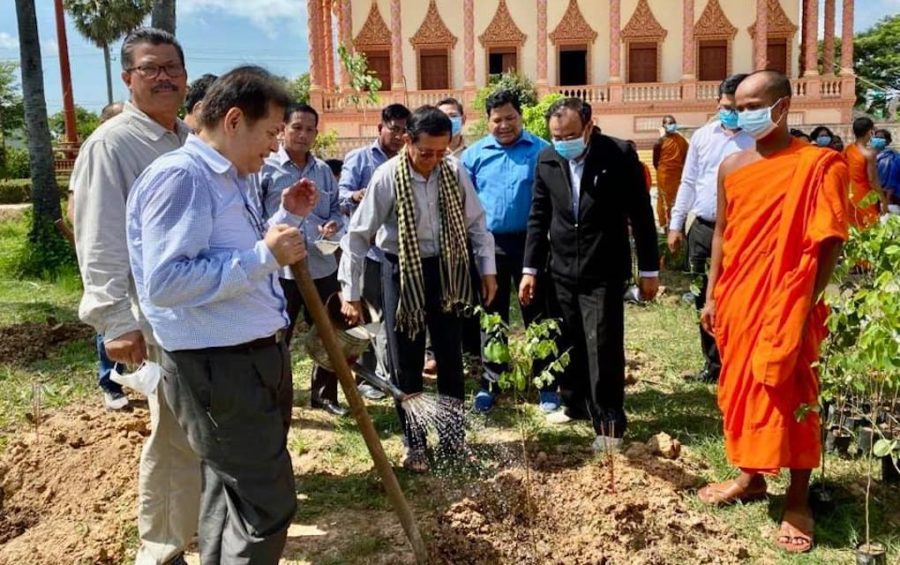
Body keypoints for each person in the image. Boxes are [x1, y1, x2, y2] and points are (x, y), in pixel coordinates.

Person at [127, 65, 318, 562]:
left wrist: (286, 219)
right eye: (272, 132)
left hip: (249, 357)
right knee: (267, 505)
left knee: (229, 490)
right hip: (218, 366)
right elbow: (166, 282)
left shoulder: (229, 177)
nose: (277, 147)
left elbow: (239, 251)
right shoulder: (182, 178)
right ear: (234, 120)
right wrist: (265, 256)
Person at [698, 70, 848, 555]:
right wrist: (713, 294)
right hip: (740, 297)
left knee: (793, 387)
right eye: (737, 106)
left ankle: (798, 499)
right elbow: (723, 232)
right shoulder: (733, 165)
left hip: (790, 300)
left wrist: (805, 303)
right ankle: (751, 475)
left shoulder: (818, 165)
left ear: (781, 107)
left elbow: (828, 244)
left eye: (752, 105)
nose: (743, 115)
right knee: (742, 384)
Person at [70, 28, 199, 565]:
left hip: (195, 308)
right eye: (150, 68)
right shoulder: (113, 144)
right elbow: (96, 236)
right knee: (171, 434)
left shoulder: (183, 137)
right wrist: (115, 320)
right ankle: (163, 547)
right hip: (152, 314)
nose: (163, 76)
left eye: (171, 67)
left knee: (193, 427)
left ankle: (196, 527)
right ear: (128, 78)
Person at [339, 105, 497, 473]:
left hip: (447, 272)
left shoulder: (453, 171)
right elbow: (358, 238)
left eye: (442, 151)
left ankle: (454, 439)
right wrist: (351, 292)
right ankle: (415, 444)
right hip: (400, 272)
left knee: (450, 359)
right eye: (426, 152)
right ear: (408, 141)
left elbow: (477, 224)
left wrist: (486, 270)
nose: (433, 160)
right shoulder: (386, 177)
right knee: (406, 361)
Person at [520, 98, 659, 448]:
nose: (562, 141)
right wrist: (530, 268)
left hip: (604, 268)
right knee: (568, 338)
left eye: (569, 134)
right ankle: (574, 402)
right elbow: (538, 215)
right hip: (561, 267)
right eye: (555, 135)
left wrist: (649, 269)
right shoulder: (548, 158)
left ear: (588, 126)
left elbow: (641, 214)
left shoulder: (619, 154)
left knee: (602, 343)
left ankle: (609, 421)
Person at [461, 90, 556, 413]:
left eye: (510, 118)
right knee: (492, 314)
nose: (504, 125)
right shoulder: (473, 156)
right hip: (489, 246)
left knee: (538, 313)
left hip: (533, 243)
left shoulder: (542, 152)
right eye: (497, 119)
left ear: (522, 117)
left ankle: (547, 383)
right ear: (487, 121)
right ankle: (492, 381)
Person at [258, 103, 347, 416]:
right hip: (280, 270)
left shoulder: (323, 170)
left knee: (329, 332)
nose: (303, 135)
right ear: (282, 129)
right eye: (297, 127)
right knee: (277, 335)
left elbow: (336, 209)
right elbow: (255, 218)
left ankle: (324, 395)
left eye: (310, 129)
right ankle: (275, 399)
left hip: (321, 266)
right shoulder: (265, 168)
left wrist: (334, 223)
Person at [666, 74, 754, 384]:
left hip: (745, 233)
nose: (728, 111)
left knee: (743, 298)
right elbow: (688, 181)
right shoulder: (703, 136)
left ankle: (740, 365)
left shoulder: (757, 139)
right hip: (703, 229)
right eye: (723, 105)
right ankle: (713, 365)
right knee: (705, 296)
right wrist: (676, 225)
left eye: (734, 107)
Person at [339, 103, 412, 401]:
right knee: (367, 318)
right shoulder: (359, 158)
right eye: (393, 129)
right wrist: (359, 196)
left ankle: (397, 373)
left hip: (399, 257)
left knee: (396, 317)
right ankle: (366, 376)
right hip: (369, 254)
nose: (398, 136)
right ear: (380, 128)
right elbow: (341, 196)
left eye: (403, 130)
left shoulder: (410, 160)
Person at [843, 117, 886, 227]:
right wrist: (883, 199)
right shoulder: (869, 154)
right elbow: (872, 180)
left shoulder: (846, 150)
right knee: (868, 229)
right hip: (865, 197)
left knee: (853, 229)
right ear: (870, 132)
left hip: (849, 195)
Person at [652, 115, 689, 228]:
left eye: (673, 122)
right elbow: (655, 161)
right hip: (664, 175)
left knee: (678, 200)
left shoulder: (681, 140)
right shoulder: (660, 142)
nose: (671, 125)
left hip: (678, 174)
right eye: (669, 123)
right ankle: (664, 223)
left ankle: (678, 223)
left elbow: (686, 156)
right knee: (664, 200)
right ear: (664, 126)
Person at [873, 129, 900, 207]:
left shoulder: (892, 157)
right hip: (874, 196)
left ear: (887, 142)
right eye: (876, 137)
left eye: (881, 138)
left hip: (889, 198)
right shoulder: (871, 156)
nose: (877, 140)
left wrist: (887, 202)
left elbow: (892, 183)